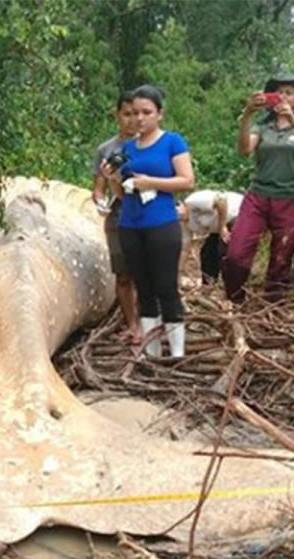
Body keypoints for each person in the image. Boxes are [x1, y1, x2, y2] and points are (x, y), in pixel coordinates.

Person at [101, 85, 195, 358]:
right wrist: (113, 178)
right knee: (144, 288)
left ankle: (177, 352)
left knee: (166, 286)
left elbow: (187, 180)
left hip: (162, 222)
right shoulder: (128, 148)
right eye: (135, 113)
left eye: (147, 112)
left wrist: (149, 182)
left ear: (159, 114)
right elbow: (121, 193)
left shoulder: (172, 142)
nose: (140, 118)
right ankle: (152, 351)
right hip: (130, 224)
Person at [224, 71, 294, 303]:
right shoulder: (262, 127)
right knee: (236, 254)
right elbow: (244, 150)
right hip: (258, 197)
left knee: (281, 260)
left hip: (292, 199)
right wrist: (247, 114)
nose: (282, 96)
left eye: (289, 93)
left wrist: (293, 120)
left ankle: (271, 312)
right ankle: (234, 301)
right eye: (278, 92)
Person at [92, 92, 140, 345]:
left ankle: (148, 322)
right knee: (123, 274)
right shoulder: (106, 150)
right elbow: (98, 187)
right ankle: (132, 325)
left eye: (139, 114)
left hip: (148, 213)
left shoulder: (154, 144)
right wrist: (100, 201)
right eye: (127, 114)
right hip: (119, 213)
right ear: (118, 115)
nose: (133, 120)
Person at [179, 190, 244, 285]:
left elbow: (221, 200)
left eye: (177, 208)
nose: (178, 213)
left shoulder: (193, 201)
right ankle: (210, 284)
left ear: (181, 203)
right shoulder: (183, 224)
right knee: (207, 253)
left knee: (225, 250)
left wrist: (222, 226)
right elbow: (184, 249)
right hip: (216, 229)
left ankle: (233, 285)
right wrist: (178, 271)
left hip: (235, 214)